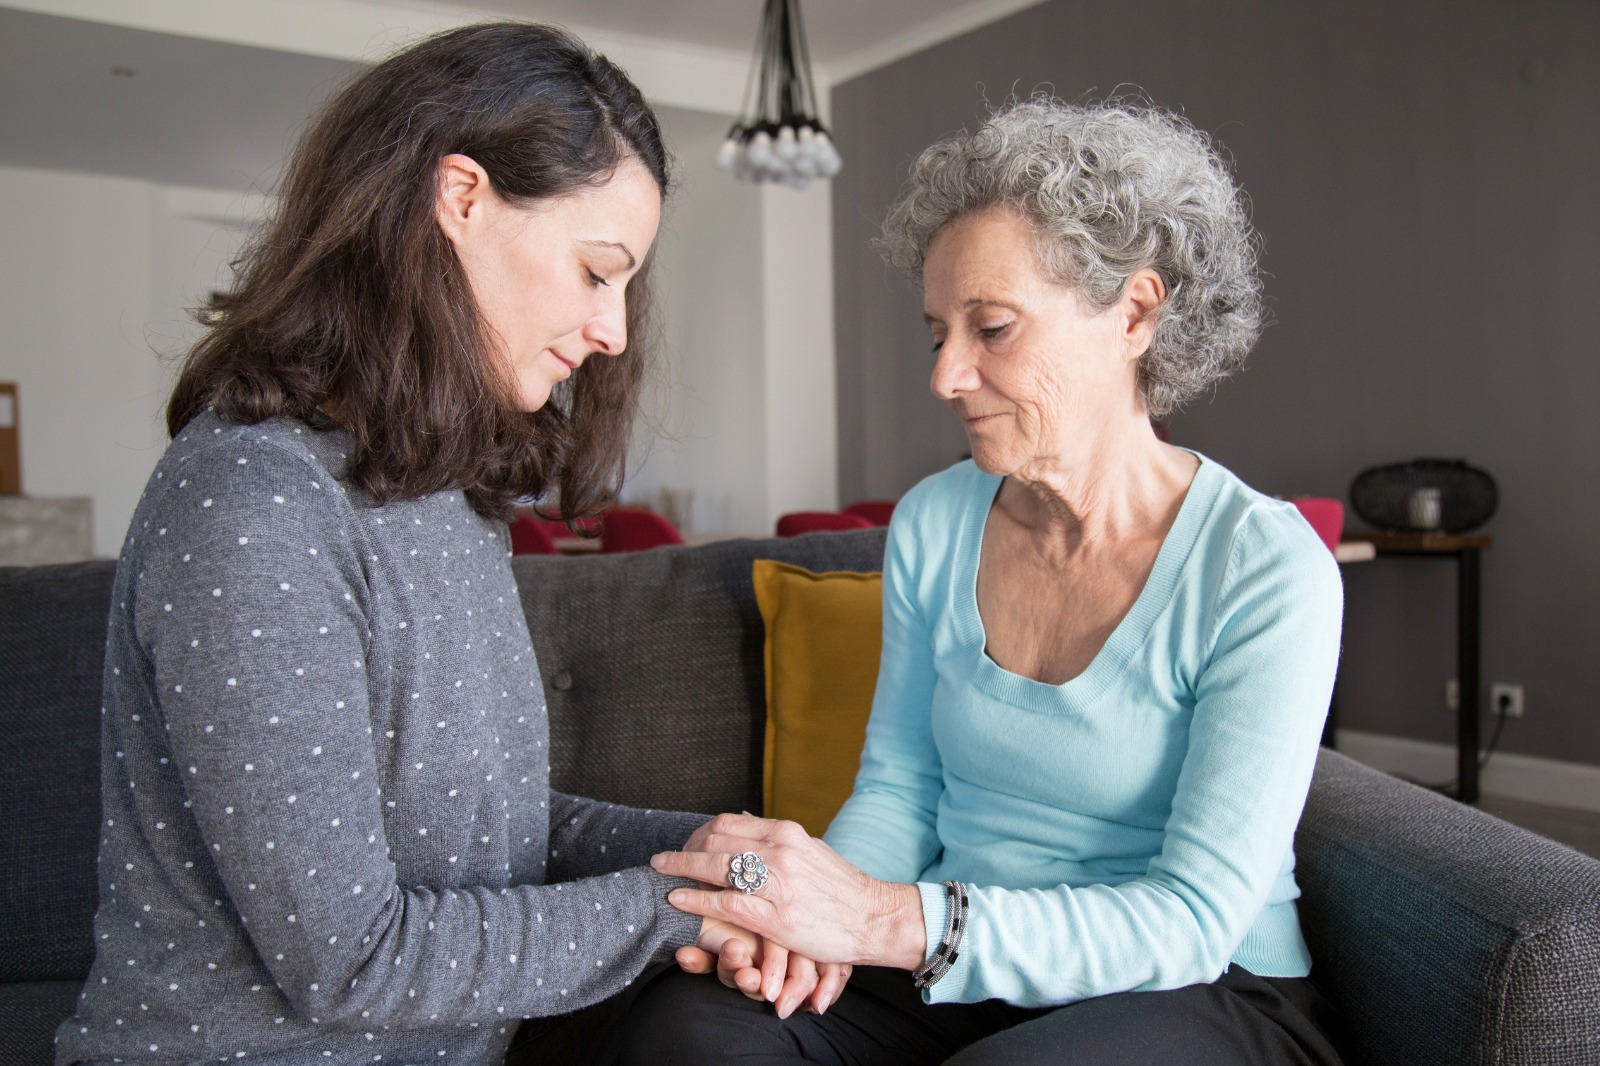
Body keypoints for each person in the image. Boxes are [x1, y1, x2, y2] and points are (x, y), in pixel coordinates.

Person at [54, 22, 836, 1065]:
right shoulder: (256, 503)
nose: (613, 331)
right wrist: (688, 905)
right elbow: (353, 960)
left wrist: (712, 855)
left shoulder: (439, 492)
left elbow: (483, 829)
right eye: (596, 270)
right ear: (461, 197)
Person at [633, 97, 1347, 1065]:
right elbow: (898, 788)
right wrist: (809, 926)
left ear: (1135, 313)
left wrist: (879, 920)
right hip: (954, 959)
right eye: (939, 333)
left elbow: (1189, 918)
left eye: (993, 328)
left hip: (1194, 987)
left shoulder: (1263, 567)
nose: (946, 375)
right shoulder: (934, 522)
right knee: (689, 1030)